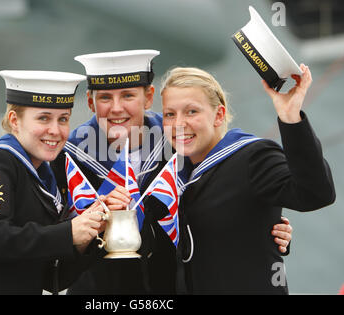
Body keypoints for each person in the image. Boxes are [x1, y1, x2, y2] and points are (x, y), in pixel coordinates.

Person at [52, 50, 293, 294]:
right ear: (91, 102)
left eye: (128, 95)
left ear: (148, 97)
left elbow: (218, 197)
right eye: (105, 97)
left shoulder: (179, 140)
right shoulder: (66, 157)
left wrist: (263, 224)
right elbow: (48, 233)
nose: (117, 108)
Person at [160, 65, 336, 294]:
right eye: (169, 114)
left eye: (192, 112)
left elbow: (316, 194)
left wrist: (291, 117)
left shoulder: (253, 157)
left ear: (219, 115)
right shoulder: (169, 176)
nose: (179, 124)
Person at [0, 70, 111, 294]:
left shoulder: (44, 178)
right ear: (14, 120)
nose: (55, 130)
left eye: (63, 119)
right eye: (43, 118)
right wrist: (67, 233)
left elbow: (51, 280)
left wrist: (86, 237)